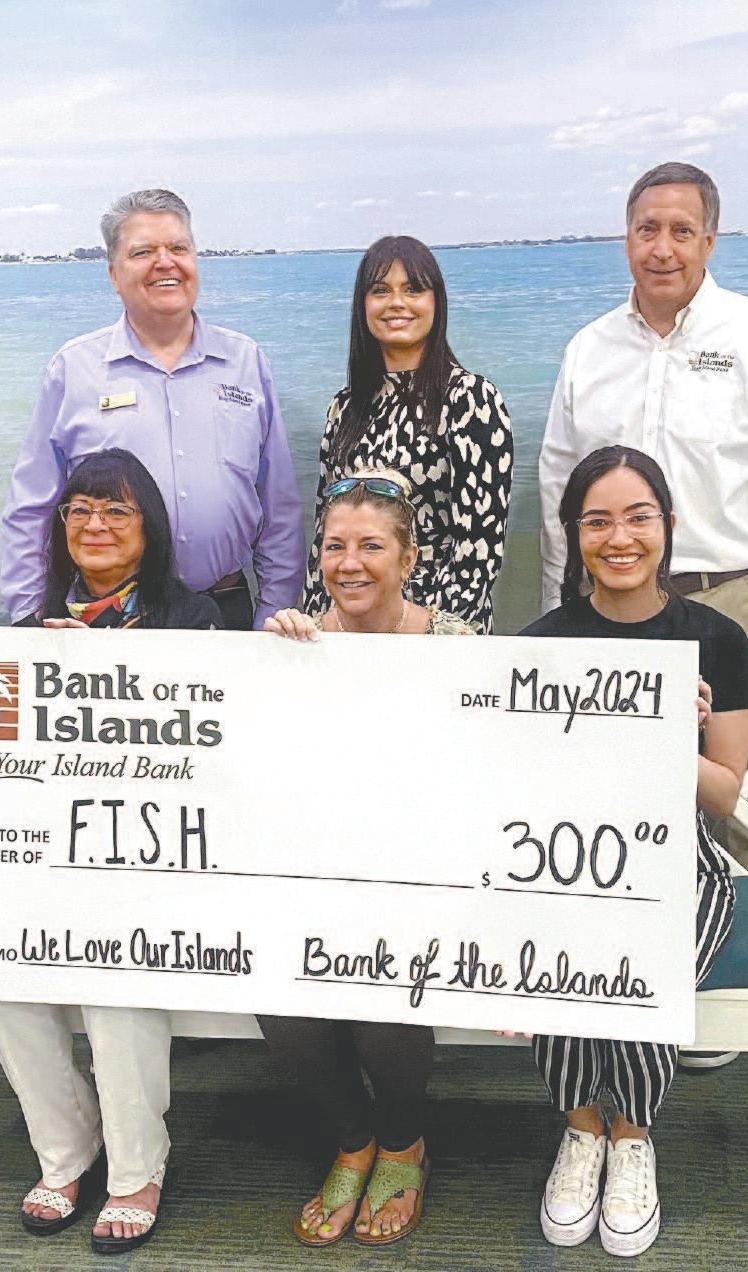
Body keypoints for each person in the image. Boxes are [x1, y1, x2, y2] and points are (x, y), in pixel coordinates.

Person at [0, 449, 217, 1255]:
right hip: (57, 864)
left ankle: (137, 1170)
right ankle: (68, 1148)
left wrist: (108, 667)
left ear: (149, 527)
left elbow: (217, 750)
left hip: (159, 864)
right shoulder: (25, 634)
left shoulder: (196, 621)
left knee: (113, 972)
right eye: (80, 509)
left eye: (116, 510)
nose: (95, 525)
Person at [522, 445, 748, 1258]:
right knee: (557, 938)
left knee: (644, 953)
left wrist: (672, 736)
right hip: (568, 857)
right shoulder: (543, 642)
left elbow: (723, 797)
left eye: (637, 517)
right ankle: (581, 1126)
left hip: (680, 863)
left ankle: (632, 1134)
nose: (619, 538)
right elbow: (521, 785)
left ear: (669, 526)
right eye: (597, 522)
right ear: (574, 534)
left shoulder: (717, 640)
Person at [260, 469, 472, 1247]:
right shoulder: (296, 646)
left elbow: (494, 773)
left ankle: (404, 1143)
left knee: (386, 990)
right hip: (320, 876)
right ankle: (353, 1141)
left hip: (428, 879)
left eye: (371, 546)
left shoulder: (457, 647)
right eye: (334, 546)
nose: (348, 563)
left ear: (409, 559)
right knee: (280, 996)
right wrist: (273, 668)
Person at [538, 162, 748, 664]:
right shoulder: (588, 348)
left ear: (708, 243)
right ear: (626, 240)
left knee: (740, 724)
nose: (662, 250)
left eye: (682, 232)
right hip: (603, 606)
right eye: (647, 230)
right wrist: (558, 603)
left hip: (727, 600)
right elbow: (559, 492)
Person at [0, 187, 303, 632]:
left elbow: (279, 508)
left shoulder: (245, 362)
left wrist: (272, 616)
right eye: (143, 252)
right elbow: (31, 508)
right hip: (111, 622)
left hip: (225, 609)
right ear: (114, 274)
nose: (166, 262)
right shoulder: (74, 368)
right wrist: (29, 620)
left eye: (179, 248)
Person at [301, 235, 512, 633]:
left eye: (413, 289)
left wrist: (428, 633)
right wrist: (319, 626)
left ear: (436, 302)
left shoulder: (470, 399)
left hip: (438, 628)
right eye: (381, 291)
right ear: (363, 305)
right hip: (352, 621)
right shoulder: (345, 407)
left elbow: (479, 548)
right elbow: (323, 535)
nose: (397, 303)